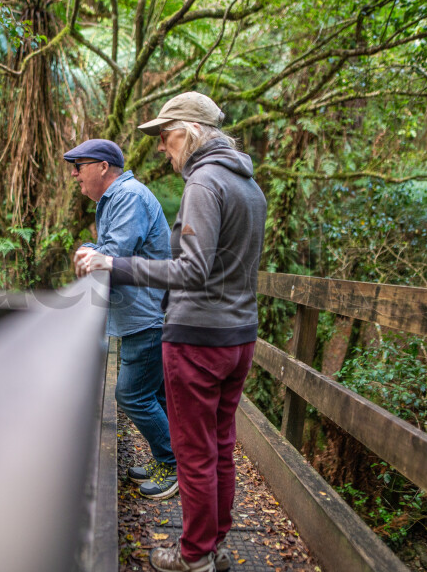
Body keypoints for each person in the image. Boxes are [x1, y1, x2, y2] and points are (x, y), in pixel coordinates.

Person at [76, 93, 267, 572]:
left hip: (199, 337)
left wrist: (112, 262)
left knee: (195, 452)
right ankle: (216, 547)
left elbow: (192, 270)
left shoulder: (204, 182)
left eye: (167, 134)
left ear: (193, 131)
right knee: (220, 446)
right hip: (239, 336)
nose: (161, 146)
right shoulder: (249, 185)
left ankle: (195, 555)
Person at [63, 138, 179, 500]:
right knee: (154, 394)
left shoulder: (127, 196)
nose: (74, 174)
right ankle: (172, 459)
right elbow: (108, 252)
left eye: (79, 165)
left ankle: (173, 465)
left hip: (146, 315)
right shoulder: (115, 199)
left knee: (131, 394)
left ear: (102, 167)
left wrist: (87, 250)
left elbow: (113, 256)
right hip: (142, 312)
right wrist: (91, 249)